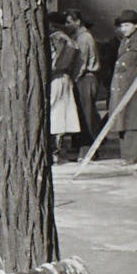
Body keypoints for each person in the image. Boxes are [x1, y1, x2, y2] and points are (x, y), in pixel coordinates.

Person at [106, 9, 137, 165]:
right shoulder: (125, 41)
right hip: (122, 88)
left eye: (127, 25)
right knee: (122, 121)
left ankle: (135, 156)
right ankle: (127, 155)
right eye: (122, 26)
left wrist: (133, 85)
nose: (124, 29)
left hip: (135, 89)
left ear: (135, 25)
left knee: (135, 121)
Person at [64, 9, 101, 154]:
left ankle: (89, 150)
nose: (67, 25)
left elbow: (81, 62)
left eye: (69, 22)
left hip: (85, 78)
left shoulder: (84, 38)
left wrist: (73, 80)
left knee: (87, 115)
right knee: (81, 113)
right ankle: (81, 147)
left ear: (78, 22)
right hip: (83, 78)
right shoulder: (77, 36)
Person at [46, 12, 81, 162]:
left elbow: (53, 61)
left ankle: (52, 150)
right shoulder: (71, 40)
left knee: (53, 112)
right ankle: (57, 151)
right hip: (66, 79)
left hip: (54, 78)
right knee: (62, 114)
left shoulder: (55, 39)